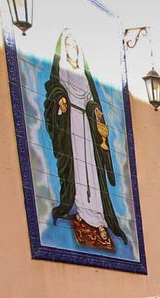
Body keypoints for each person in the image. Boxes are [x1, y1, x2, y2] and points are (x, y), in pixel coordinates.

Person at [44, 28, 127, 252]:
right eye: (69, 45)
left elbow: (93, 101)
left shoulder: (84, 75)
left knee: (93, 174)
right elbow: (53, 92)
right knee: (78, 173)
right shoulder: (60, 72)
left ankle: (99, 220)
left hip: (88, 130)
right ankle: (83, 214)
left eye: (75, 46)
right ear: (63, 48)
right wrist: (60, 101)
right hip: (71, 127)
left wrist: (96, 113)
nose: (73, 49)